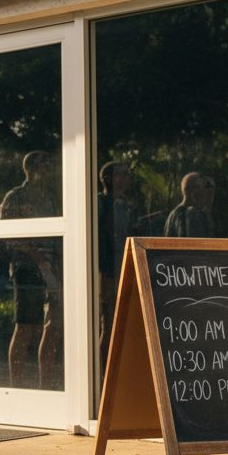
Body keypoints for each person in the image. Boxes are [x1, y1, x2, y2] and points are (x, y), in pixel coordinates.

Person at [0, 150, 62, 391]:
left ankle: (46, 386)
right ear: (32, 169)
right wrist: (37, 258)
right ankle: (17, 387)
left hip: (51, 269)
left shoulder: (50, 198)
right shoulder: (16, 196)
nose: (49, 171)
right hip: (27, 269)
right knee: (25, 326)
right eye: (45, 166)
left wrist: (53, 267)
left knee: (53, 327)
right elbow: (9, 236)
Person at [96, 160, 135, 375]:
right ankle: (104, 374)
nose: (127, 178)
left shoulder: (124, 205)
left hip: (122, 268)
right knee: (108, 322)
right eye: (122, 174)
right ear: (109, 178)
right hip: (108, 271)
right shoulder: (101, 203)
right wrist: (104, 272)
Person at [165, 172, 216, 238]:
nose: (204, 191)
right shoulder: (192, 214)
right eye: (201, 187)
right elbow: (196, 244)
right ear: (194, 189)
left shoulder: (174, 214)